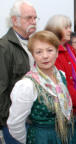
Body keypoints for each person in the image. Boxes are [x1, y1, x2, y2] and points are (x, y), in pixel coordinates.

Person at [7, 30, 73, 144]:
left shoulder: (61, 75)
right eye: (39, 52)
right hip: (43, 138)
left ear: (57, 52)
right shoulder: (27, 85)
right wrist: (32, 139)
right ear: (33, 55)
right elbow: (15, 124)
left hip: (68, 136)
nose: (45, 56)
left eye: (50, 50)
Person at [45, 15, 76, 143]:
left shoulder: (68, 48)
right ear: (55, 29)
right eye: (66, 27)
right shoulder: (53, 52)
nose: (70, 30)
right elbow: (63, 85)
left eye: (70, 27)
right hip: (65, 113)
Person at [0, 0, 38, 143]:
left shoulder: (34, 44)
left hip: (33, 119)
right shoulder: (3, 47)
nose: (33, 21)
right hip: (14, 123)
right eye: (29, 18)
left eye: (35, 18)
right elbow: (1, 89)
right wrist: (6, 123)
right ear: (14, 20)